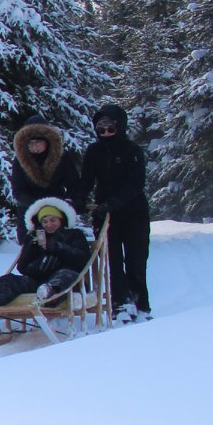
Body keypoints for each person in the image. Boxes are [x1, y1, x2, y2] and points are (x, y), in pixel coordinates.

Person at [78, 101, 152, 321]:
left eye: (111, 127)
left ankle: (140, 304)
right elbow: (87, 180)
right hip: (106, 214)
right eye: (101, 128)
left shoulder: (132, 151)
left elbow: (136, 183)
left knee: (136, 259)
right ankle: (120, 303)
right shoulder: (94, 151)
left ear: (120, 126)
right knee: (113, 260)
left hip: (133, 212)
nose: (106, 132)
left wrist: (117, 201)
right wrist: (79, 199)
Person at [0, 197, 93, 309]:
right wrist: (32, 247)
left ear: (61, 220)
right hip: (38, 282)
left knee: (65, 275)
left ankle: (50, 292)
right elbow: (22, 268)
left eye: (53, 220)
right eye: (45, 221)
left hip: (70, 282)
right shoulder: (34, 237)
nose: (49, 225)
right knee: (10, 279)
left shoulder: (74, 235)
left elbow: (82, 259)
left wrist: (56, 247)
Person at [8, 113, 80, 240]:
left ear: (47, 141)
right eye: (31, 143)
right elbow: (18, 190)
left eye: (38, 142)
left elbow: (73, 184)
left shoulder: (62, 157)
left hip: (56, 210)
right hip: (29, 211)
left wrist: (67, 203)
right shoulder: (20, 160)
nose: (34, 146)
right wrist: (37, 204)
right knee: (30, 250)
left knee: (58, 247)